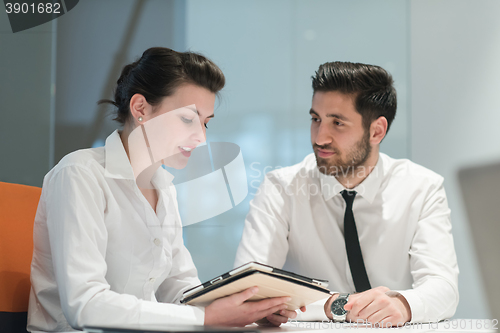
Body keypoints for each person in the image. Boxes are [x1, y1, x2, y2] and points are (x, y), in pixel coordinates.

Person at [27, 47, 297, 332]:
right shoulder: (80, 175)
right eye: (187, 119)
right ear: (141, 109)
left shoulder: (164, 188)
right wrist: (207, 318)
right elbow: (85, 304)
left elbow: (178, 287)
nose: (200, 138)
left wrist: (246, 310)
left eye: (205, 123)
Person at [235, 61, 459, 326]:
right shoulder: (281, 188)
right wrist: (332, 305)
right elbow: (250, 287)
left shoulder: (421, 188)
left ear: (376, 131)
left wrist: (402, 305)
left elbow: (443, 288)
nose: (320, 137)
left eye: (337, 123)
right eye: (315, 119)